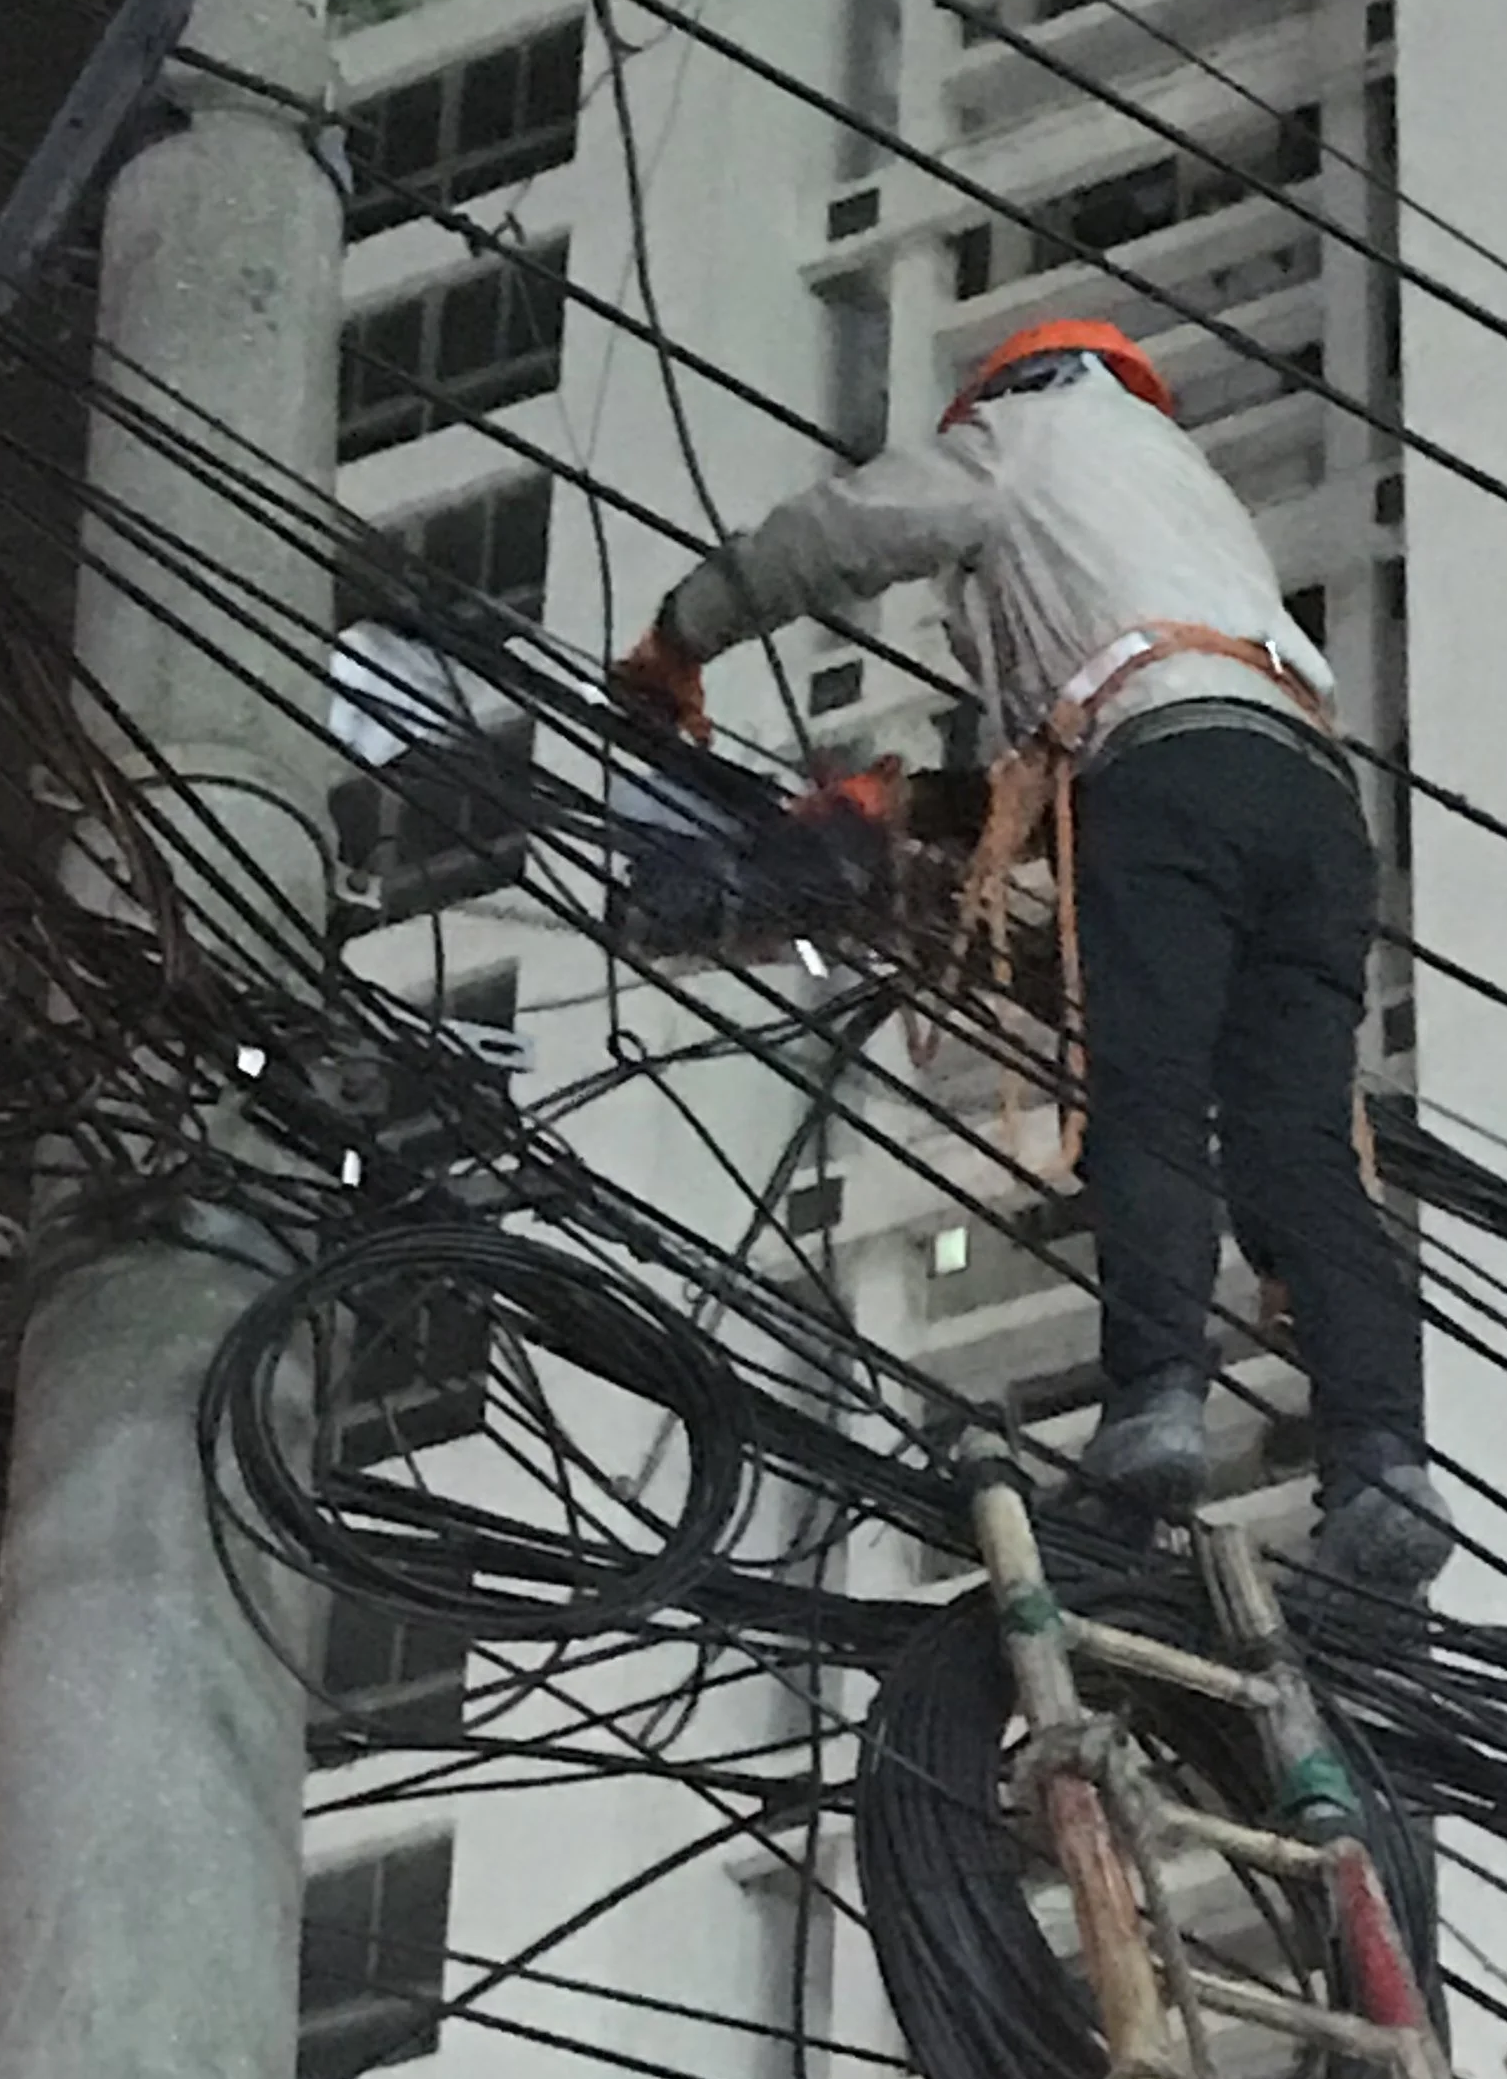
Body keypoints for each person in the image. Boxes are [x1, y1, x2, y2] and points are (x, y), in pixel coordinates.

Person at [611, 317, 1451, 1604]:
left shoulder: (1031, 433)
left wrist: (684, 632)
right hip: (1312, 809)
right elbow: (1065, 742)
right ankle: (1385, 1465)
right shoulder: (1187, 497)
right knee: (1299, 1152)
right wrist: (901, 816)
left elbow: (847, 529)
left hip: (1165, 775)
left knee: (1147, 1096)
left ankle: (1155, 1409)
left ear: (1007, 388)